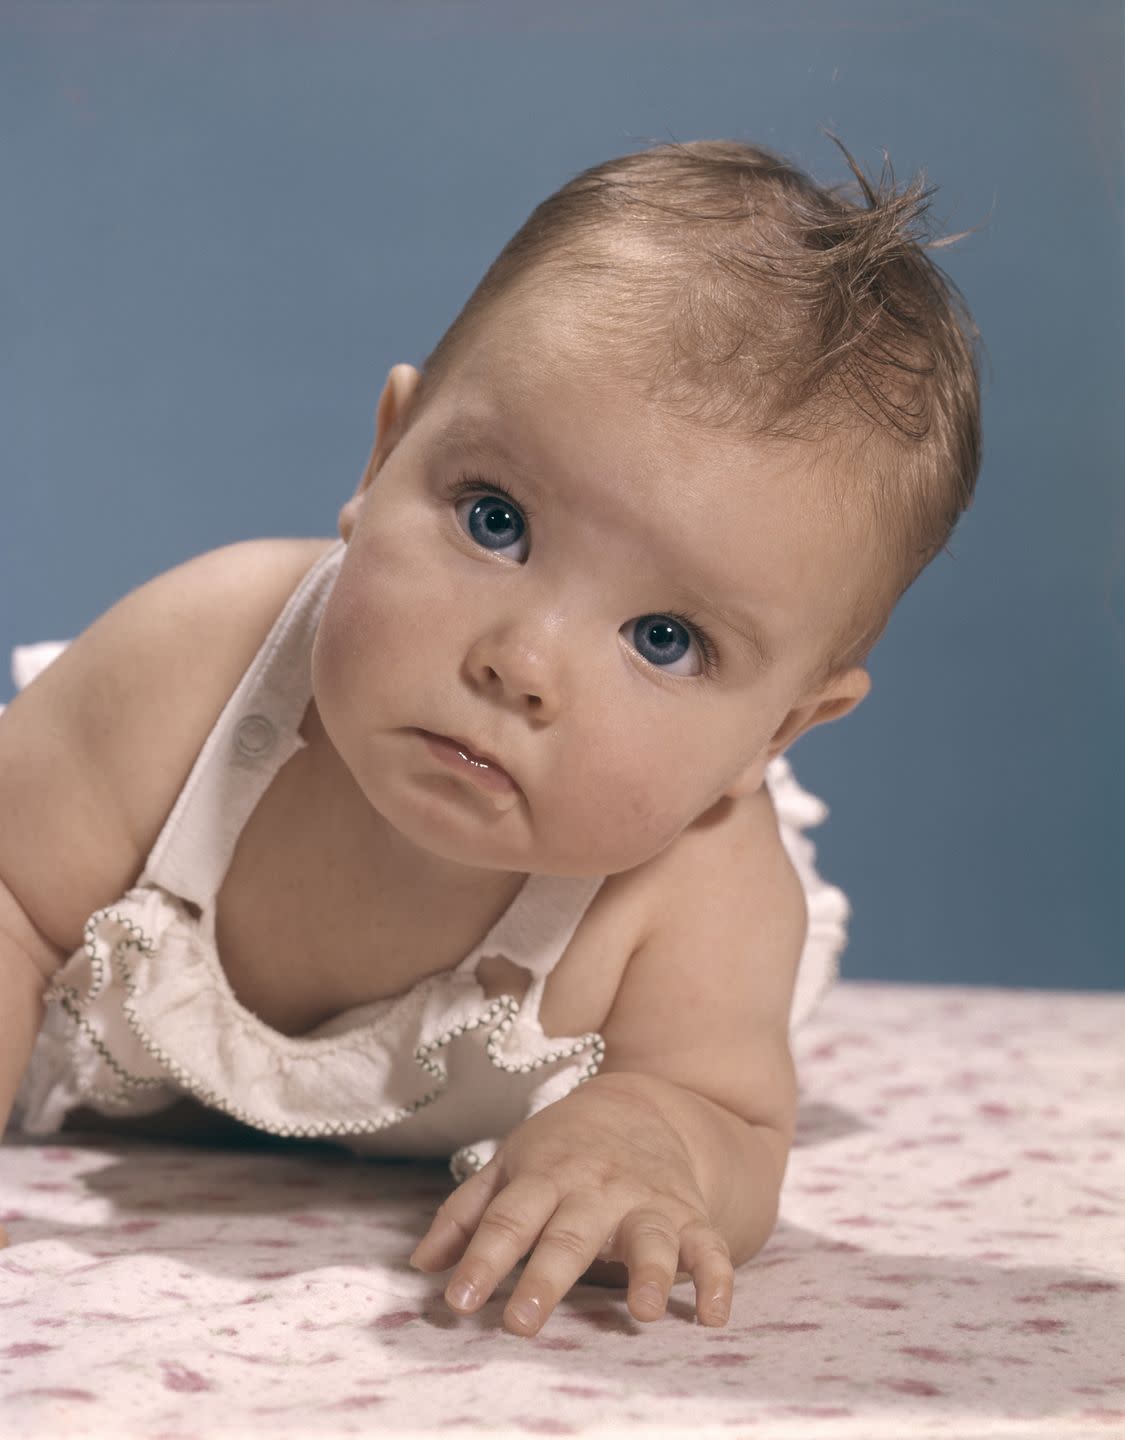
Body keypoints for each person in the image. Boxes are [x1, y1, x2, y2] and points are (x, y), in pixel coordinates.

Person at [0, 136, 982, 1338]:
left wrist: (648, 1134)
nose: (522, 662)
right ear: (384, 454)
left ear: (773, 734)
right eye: (495, 519)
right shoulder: (193, 672)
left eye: (664, 638)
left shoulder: (694, 889)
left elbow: (727, 1119)